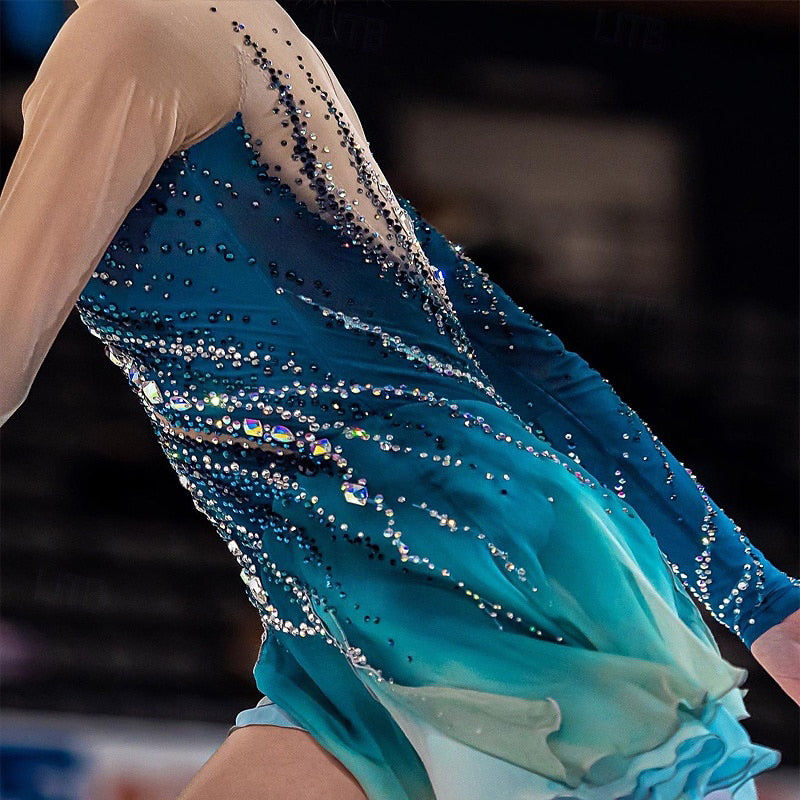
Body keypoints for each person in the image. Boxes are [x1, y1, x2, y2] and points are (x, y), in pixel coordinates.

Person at [0, 1, 797, 798]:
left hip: (467, 593)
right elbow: (510, 350)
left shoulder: (130, 33)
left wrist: (761, 600)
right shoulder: (250, 28)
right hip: (366, 610)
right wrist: (759, 600)